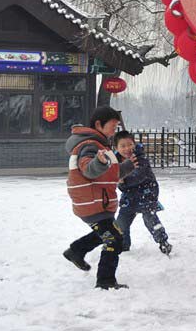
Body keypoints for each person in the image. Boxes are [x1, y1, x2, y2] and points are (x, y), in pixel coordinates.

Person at [62, 105, 136, 290]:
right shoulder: (89, 145)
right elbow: (88, 168)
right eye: (112, 126)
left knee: (106, 233)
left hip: (97, 201)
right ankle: (105, 281)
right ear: (98, 124)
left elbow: (109, 174)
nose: (114, 130)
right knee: (114, 238)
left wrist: (127, 167)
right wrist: (99, 161)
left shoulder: (100, 145)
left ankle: (76, 251)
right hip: (93, 203)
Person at [112, 131, 173, 255]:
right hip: (129, 196)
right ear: (116, 148)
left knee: (150, 218)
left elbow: (139, 176)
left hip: (147, 193)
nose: (127, 148)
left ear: (134, 144)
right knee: (121, 222)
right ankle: (123, 246)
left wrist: (123, 180)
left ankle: (163, 241)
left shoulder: (140, 158)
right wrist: (120, 182)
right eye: (122, 146)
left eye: (129, 144)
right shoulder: (116, 162)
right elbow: (119, 184)